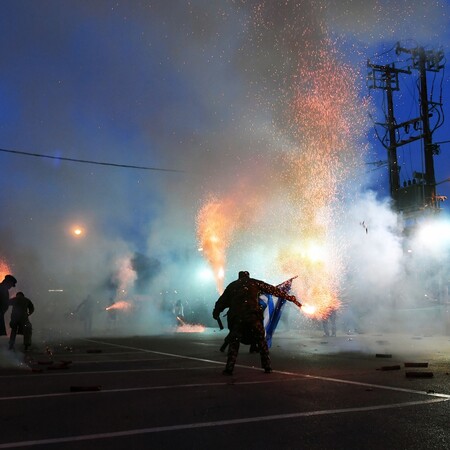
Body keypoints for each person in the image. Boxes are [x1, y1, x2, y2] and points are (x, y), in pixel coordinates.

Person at [212, 271, 300, 375]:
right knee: (261, 341)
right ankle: (267, 367)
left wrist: (216, 313)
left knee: (234, 343)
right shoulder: (255, 283)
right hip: (254, 317)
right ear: (248, 276)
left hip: (237, 319)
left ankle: (229, 368)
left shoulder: (232, 286)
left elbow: (221, 302)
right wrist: (289, 297)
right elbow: (274, 290)